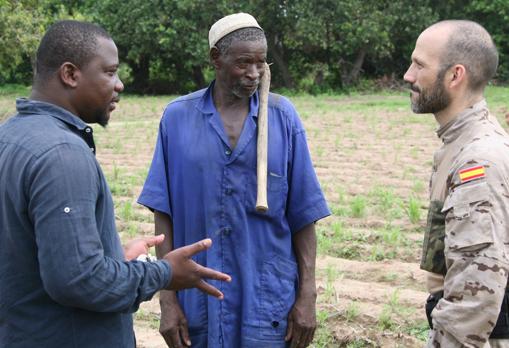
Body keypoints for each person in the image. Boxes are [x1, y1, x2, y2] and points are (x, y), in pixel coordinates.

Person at [0, 20, 230, 348]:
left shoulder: (10, 135)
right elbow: (78, 280)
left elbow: (37, 252)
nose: (119, 85)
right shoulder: (63, 155)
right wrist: (164, 274)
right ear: (70, 74)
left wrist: (114, 258)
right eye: (110, 72)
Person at [138, 12, 330, 348]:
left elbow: (303, 216)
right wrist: (168, 301)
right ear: (216, 58)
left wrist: (308, 294)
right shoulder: (177, 119)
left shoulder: (283, 118)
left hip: (268, 302)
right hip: (197, 300)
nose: (254, 73)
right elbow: (162, 214)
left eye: (261, 63)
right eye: (244, 63)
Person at [404, 20, 509, 347]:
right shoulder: (460, 144)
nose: (408, 75)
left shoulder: (477, 160)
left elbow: (476, 294)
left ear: (455, 75)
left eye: (419, 65)